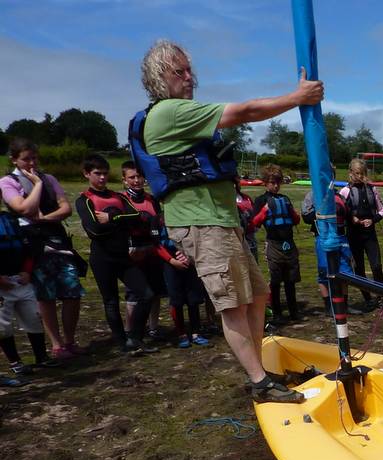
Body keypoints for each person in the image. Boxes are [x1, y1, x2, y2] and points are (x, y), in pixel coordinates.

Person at [132, 39, 323, 403]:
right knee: (233, 303)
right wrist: (298, 97)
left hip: (221, 221)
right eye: (180, 71)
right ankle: (260, 382)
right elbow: (245, 111)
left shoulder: (179, 114)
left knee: (258, 295)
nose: (190, 78)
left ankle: (261, 372)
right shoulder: (169, 112)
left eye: (190, 70)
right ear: (159, 77)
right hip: (203, 224)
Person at [1, 138, 85, 358]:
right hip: (32, 244)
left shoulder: (50, 178)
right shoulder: (8, 182)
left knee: (72, 290)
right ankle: (56, 344)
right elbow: (24, 208)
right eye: (26, 159)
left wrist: (45, 218)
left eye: (34, 158)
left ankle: (70, 340)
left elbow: (65, 207)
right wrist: (36, 185)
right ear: (14, 160)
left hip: (56, 239)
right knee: (45, 295)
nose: (31, 163)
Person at [75, 154, 157, 355]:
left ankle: (135, 339)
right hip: (102, 257)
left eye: (104, 173)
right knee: (111, 301)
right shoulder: (84, 200)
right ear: (87, 174)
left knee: (147, 294)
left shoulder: (118, 197)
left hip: (123, 257)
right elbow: (94, 230)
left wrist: (112, 217)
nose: (102, 177)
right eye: (97, 174)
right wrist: (122, 224)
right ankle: (121, 343)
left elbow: (139, 218)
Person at [122, 161, 209, 349]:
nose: (137, 180)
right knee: (175, 298)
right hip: (167, 262)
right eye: (132, 177)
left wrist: (188, 257)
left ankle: (196, 331)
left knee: (193, 298)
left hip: (188, 261)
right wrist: (171, 260)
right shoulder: (157, 219)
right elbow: (157, 243)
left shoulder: (186, 215)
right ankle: (180, 333)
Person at [299, 169, 362, 319]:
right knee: (324, 272)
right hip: (323, 238)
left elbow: (348, 214)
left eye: (331, 176)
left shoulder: (339, 195)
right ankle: (329, 306)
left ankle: (344, 306)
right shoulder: (313, 195)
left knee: (345, 273)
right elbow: (306, 217)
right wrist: (320, 207)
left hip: (341, 238)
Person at [121, 161, 169, 341]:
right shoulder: (122, 199)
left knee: (155, 292)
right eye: (132, 177)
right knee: (134, 294)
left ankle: (153, 328)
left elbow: (158, 222)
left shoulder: (151, 199)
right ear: (124, 180)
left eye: (139, 177)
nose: (136, 180)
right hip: (133, 252)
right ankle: (129, 330)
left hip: (153, 250)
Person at [0, 209, 51, 376]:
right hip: (2, 285)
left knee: (34, 317)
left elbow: (29, 249)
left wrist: (27, 271)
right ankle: (15, 362)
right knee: (3, 327)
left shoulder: (13, 219)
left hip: (21, 279)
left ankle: (41, 357)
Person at [250, 164, 302, 325]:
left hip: (289, 243)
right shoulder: (261, 200)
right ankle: (277, 313)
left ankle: (294, 311)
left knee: (290, 280)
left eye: (278, 182)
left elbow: (296, 220)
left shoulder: (285, 199)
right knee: (275, 280)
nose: (276, 185)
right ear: (265, 182)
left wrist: (292, 211)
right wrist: (265, 210)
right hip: (273, 244)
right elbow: (254, 224)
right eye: (272, 182)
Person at [339, 158, 383, 312]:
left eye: (362, 173)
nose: (359, 176)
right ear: (350, 173)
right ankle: (368, 299)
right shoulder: (345, 191)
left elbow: (381, 211)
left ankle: (382, 298)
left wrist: (372, 221)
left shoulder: (372, 189)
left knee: (376, 266)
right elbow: (340, 211)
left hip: (369, 234)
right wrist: (351, 218)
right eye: (356, 173)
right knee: (358, 269)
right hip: (354, 234)